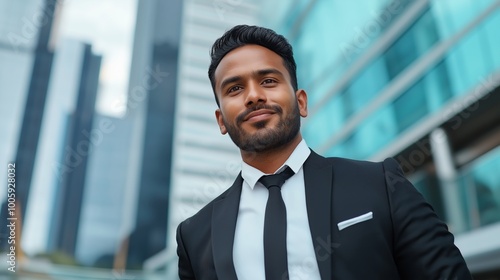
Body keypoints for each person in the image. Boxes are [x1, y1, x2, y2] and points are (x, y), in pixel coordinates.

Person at [176, 25, 472, 280]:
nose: (254, 96)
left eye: (268, 80)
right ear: (221, 121)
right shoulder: (196, 235)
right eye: (235, 89)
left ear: (301, 102)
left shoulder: (381, 185)